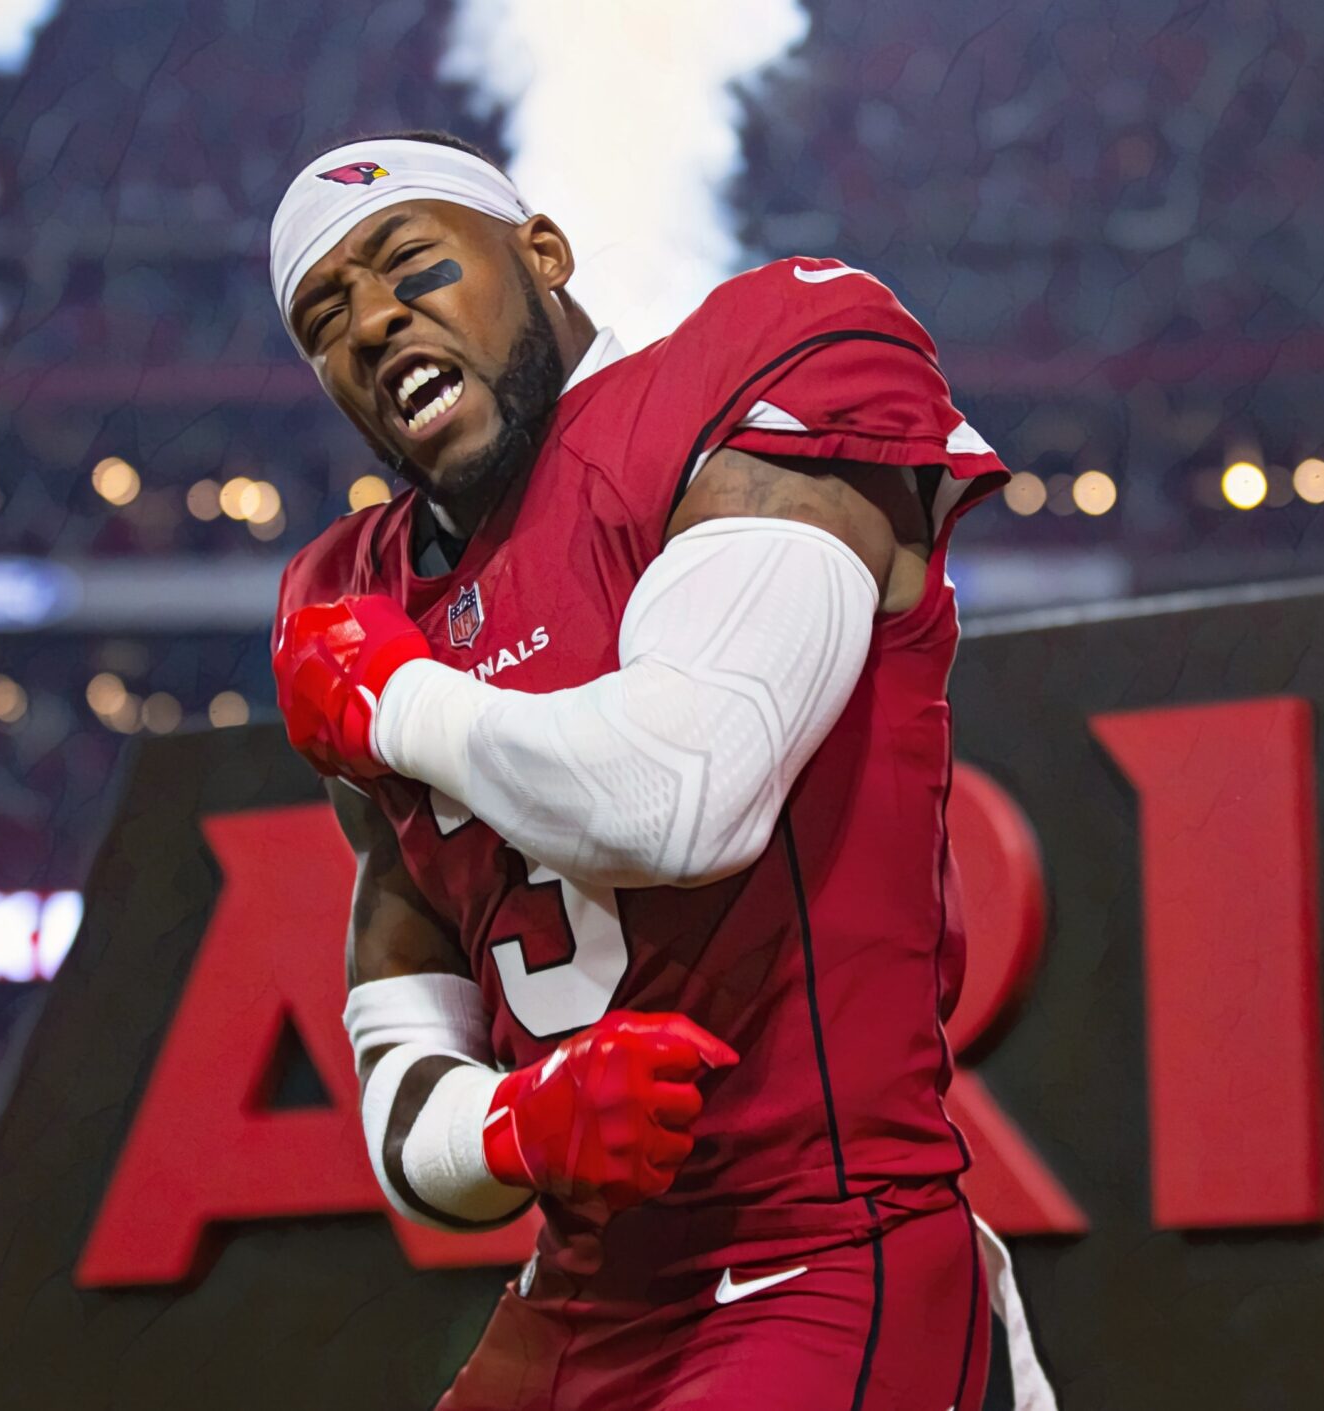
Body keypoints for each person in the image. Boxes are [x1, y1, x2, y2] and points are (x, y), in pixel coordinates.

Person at [269, 130, 1054, 1411]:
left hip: (816, 1249)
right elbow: (404, 1093)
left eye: (409, 265)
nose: (369, 320)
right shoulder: (356, 592)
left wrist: (396, 702)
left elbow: (687, 794)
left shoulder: (758, 367)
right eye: (324, 314)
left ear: (541, 253)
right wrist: (518, 1124)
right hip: (576, 1296)